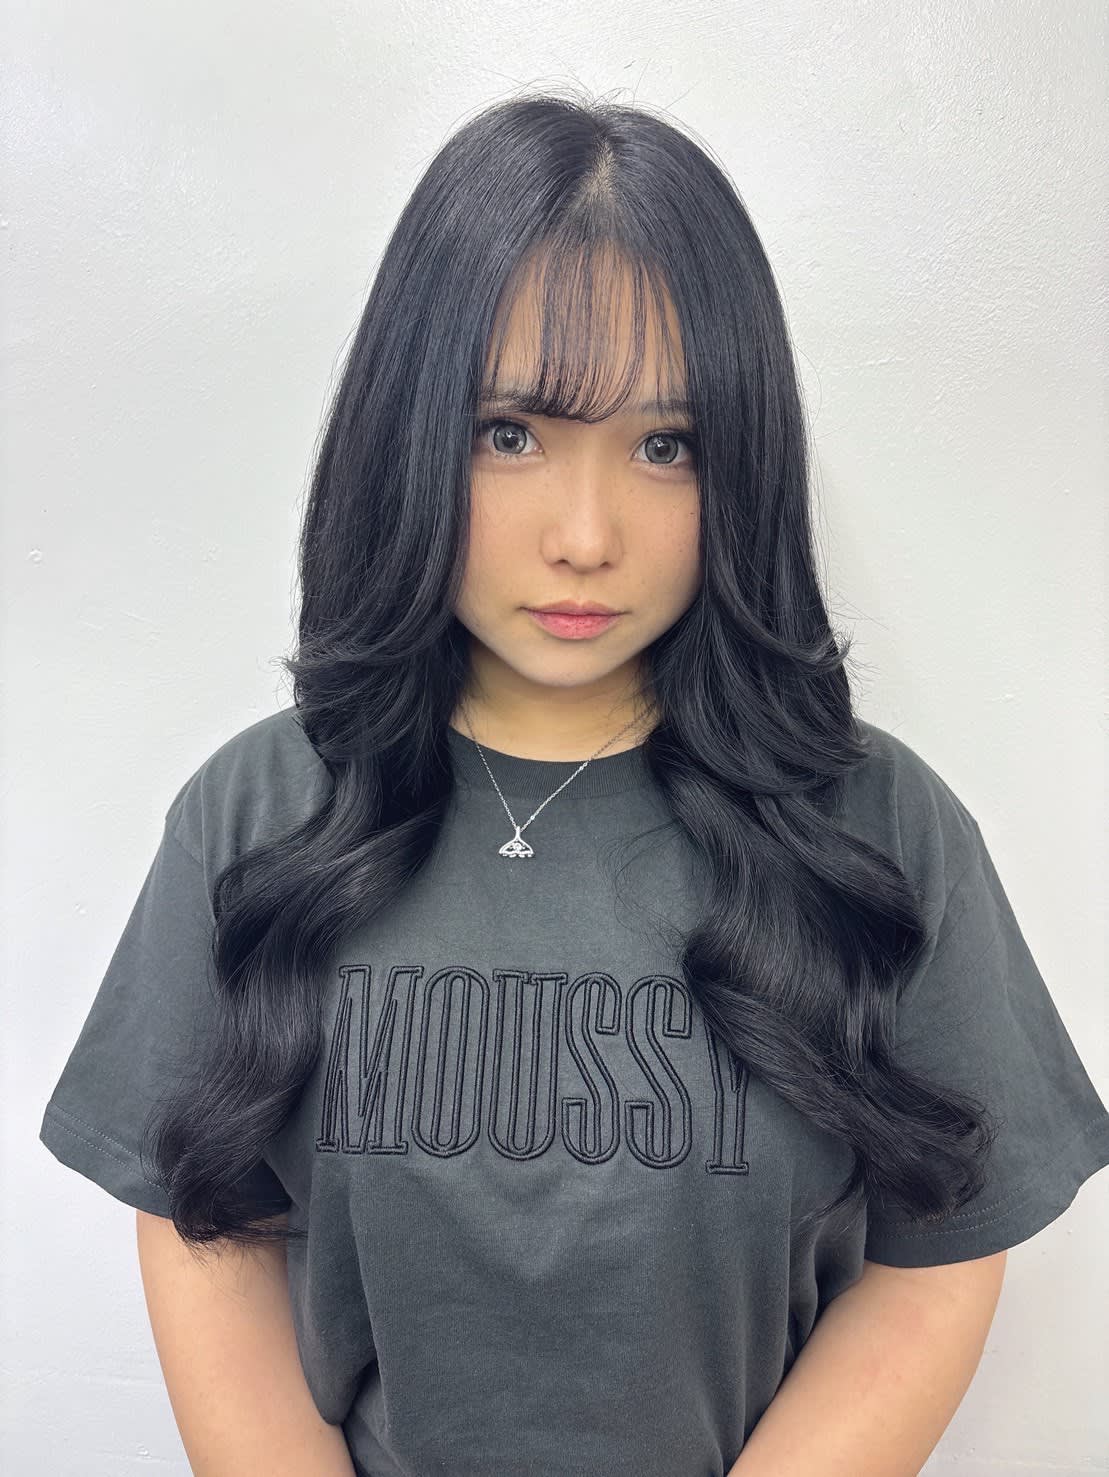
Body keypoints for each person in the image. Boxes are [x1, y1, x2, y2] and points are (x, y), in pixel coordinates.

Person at [40, 88, 1109, 1477]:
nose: (587, 535)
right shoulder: (259, 816)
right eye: (511, 432)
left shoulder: (878, 828)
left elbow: (940, 1256)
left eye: (666, 446)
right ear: (409, 429)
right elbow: (205, 1220)